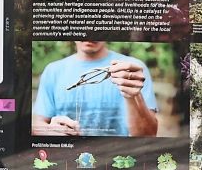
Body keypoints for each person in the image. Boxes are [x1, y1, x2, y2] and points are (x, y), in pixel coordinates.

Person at [31, 41, 159, 137]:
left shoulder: (133, 70)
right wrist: (51, 131)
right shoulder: (53, 71)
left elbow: (150, 134)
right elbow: (37, 126)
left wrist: (134, 96)